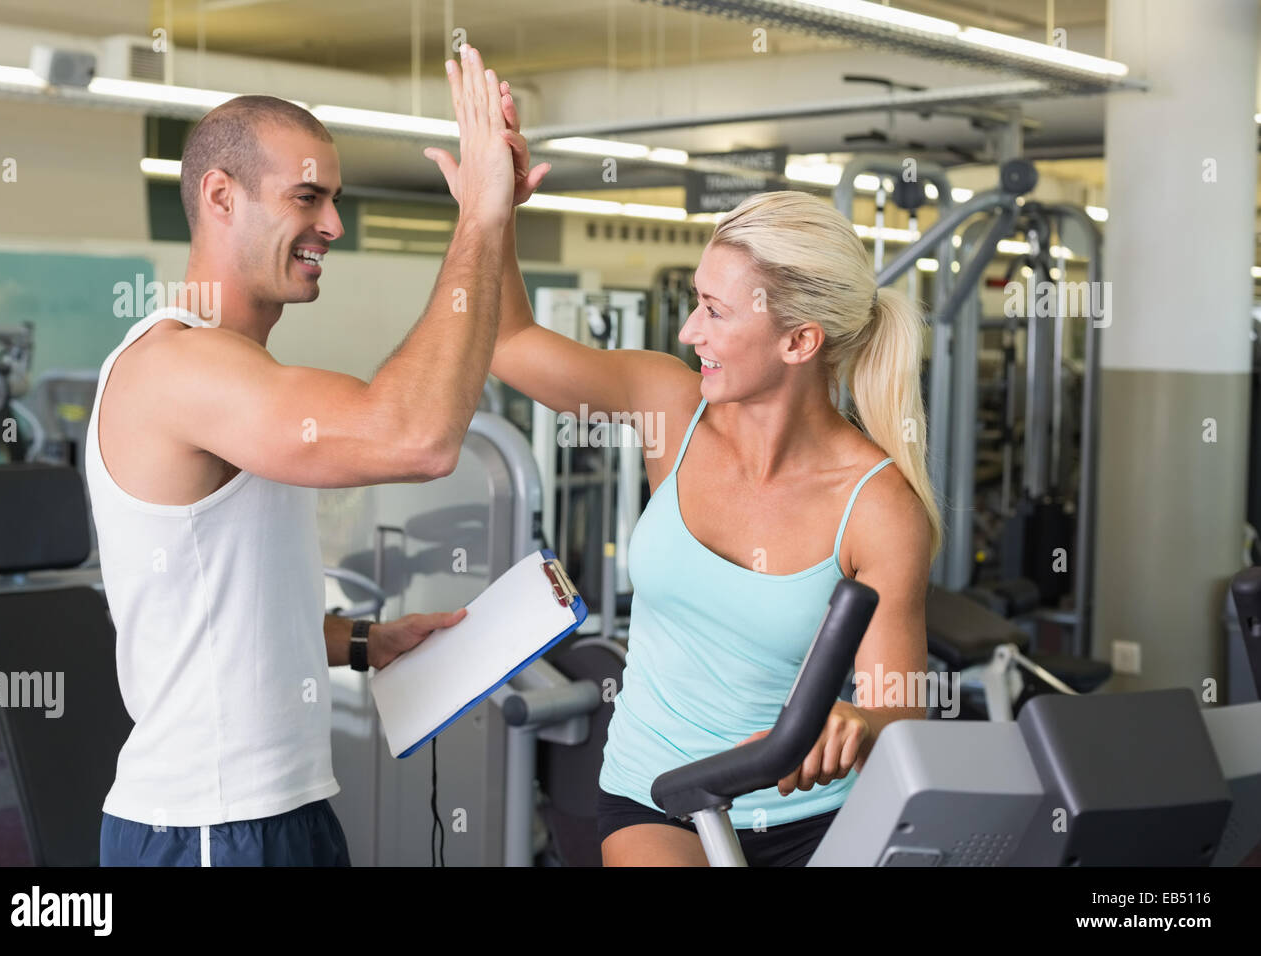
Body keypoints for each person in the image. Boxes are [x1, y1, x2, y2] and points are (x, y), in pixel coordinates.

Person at [428, 103, 937, 865]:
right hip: (656, 790)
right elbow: (509, 343)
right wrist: (491, 211)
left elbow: (901, 711)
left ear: (800, 340)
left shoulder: (878, 507)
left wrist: (860, 725)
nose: (688, 332)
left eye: (713, 310)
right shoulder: (673, 409)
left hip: (817, 820)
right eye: (697, 299)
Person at [87, 43, 545, 865]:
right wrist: (480, 213)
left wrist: (365, 642)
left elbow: (222, 605)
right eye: (308, 197)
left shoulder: (236, 375)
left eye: (334, 198)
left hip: (273, 810)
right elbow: (418, 436)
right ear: (221, 197)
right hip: (210, 825)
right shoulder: (179, 368)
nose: (333, 224)